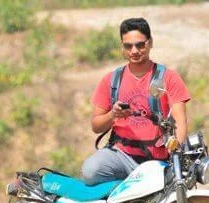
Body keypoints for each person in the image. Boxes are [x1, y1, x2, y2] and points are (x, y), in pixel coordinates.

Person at [81, 17, 191, 186]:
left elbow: (180, 122)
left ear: (150, 43)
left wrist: (176, 150)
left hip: (157, 161)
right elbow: (96, 126)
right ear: (122, 47)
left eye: (140, 45)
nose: (134, 51)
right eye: (128, 46)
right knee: (90, 171)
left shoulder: (169, 78)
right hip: (121, 155)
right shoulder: (111, 81)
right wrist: (112, 115)